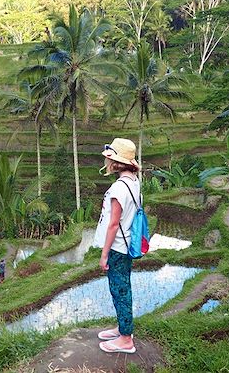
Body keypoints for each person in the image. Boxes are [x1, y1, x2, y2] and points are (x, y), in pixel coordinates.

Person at [94, 138, 141, 354]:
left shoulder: (119, 188)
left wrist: (104, 255)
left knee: (120, 290)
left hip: (117, 248)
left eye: (109, 158)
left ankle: (125, 340)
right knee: (122, 288)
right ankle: (123, 329)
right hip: (127, 244)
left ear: (116, 163)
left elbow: (113, 224)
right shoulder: (134, 182)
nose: (107, 162)